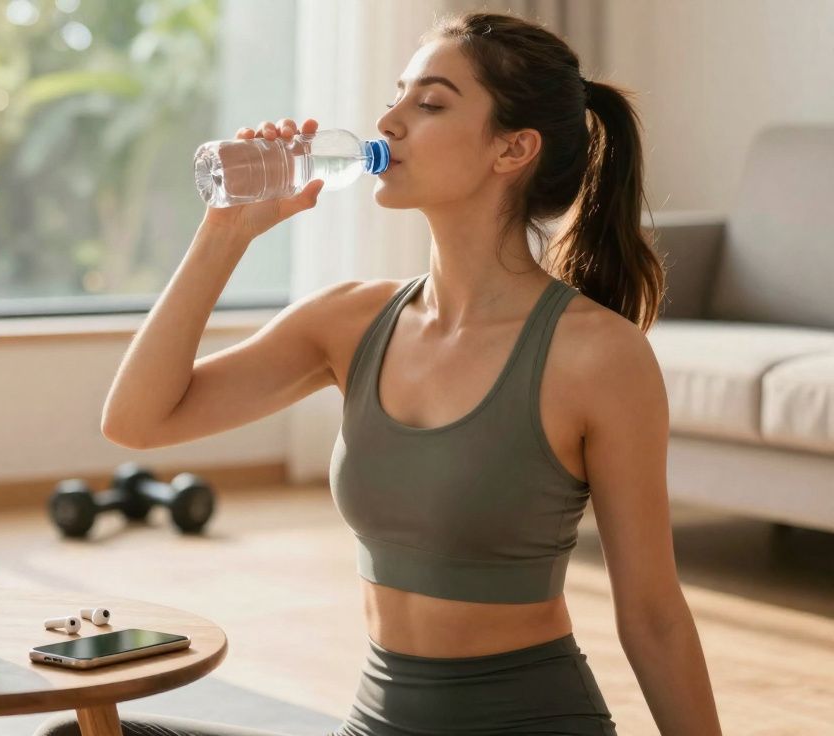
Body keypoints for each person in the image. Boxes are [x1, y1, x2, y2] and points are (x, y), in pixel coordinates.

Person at [39, 10, 723, 736]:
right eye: (396, 95)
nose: (389, 119)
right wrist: (225, 231)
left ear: (513, 149)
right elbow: (137, 420)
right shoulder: (351, 322)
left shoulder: (597, 355)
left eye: (429, 104)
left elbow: (653, 617)